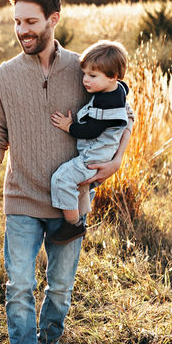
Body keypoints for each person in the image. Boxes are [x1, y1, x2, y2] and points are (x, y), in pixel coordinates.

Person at [0, 0, 135, 344]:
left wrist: (117, 163)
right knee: (19, 286)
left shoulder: (84, 70)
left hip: (70, 201)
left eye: (31, 22)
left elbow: (125, 116)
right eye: (17, 22)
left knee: (59, 287)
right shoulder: (1, 78)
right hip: (21, 198)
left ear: (53, 20)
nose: (22, 30)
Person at [47, 40, 131, 245]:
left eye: (92, 76)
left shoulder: (107, 103)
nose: (85, 80)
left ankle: (73, 224)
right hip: (99, 152)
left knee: (61, 179)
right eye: (84, 73)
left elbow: (90, 130)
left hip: (94, 156)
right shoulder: (117, 89)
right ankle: (73, 219)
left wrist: (69, 126)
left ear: (112, 76)